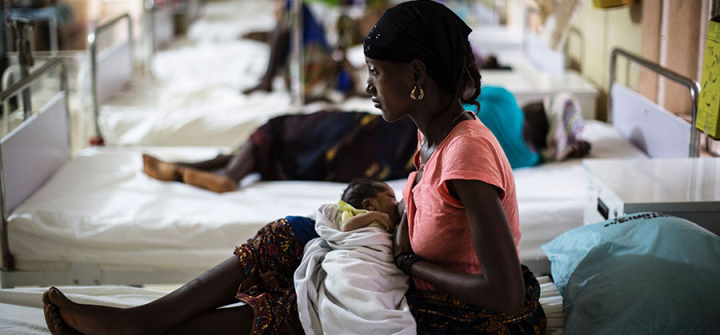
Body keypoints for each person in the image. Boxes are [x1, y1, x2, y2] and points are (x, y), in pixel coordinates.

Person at [42, 1, 545, 334]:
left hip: (461, 315)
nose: (368, 85)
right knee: (289, 234)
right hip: (414, 274)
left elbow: (503, 294)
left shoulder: (467, 150)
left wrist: (411, 263)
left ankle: (140, 330)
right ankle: (148, 320)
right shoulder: (431, 132)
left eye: (375, 72)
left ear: (415, 75)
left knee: (298, 304)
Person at [142, 110, 418, 193]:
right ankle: (183, 168)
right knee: (270, 143)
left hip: (380, 136)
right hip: (384, 153)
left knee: (277, 127)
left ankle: (228, 173)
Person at [294, 179, 416, 334]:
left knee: (377, 296)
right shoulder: (360, 216)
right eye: (391, 197)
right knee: (350, 283)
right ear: (368, 205)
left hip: (377, 263)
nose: (396, 202)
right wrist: (373, 216)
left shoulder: (391, 224)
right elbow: (346, 227)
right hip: (353, 260)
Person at [464, 86, 591, 169]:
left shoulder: (506, 100)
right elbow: (552, 152)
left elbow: (459, 92)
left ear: (537, 109)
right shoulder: (528, 159)